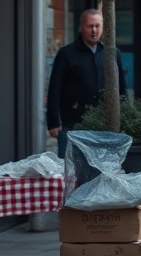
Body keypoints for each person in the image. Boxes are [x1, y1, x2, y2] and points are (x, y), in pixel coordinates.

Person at [46, 9, 127, 158]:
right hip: (72, 124)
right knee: (70, 171)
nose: (94, 30)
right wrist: (53, 121)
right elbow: (55, 88)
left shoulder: (112, 53)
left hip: (104, 126)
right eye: (90, 26)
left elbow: (121, 88)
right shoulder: (67, 54)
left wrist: (125, 116)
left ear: (103, 27)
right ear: (81, 27)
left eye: (97, 26)